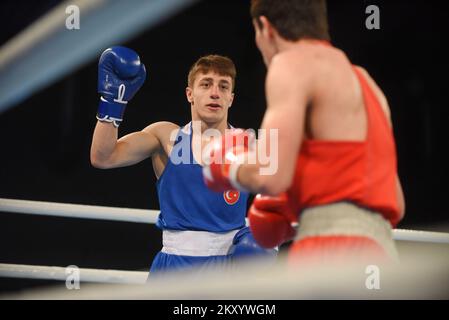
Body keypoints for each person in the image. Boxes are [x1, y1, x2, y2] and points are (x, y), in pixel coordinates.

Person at [202, 0, 405, 265]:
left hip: (329, 249)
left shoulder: (289, 65)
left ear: (264, 28)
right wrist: (296, 205)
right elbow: (396, 200)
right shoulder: (366, 82)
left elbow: (270, 174)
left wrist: (228, 166)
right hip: (382, 251)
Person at [90, 47, 275, 275]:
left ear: (231, 98)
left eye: (223, 86)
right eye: (206, 84)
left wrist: (269, 242)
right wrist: (112, 102)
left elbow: (287, 200)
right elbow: (103, 157)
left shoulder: (251, 145)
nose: (215, 93)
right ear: (190, 94)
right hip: (174, 267)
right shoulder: (165, 136)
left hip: (228, 269)